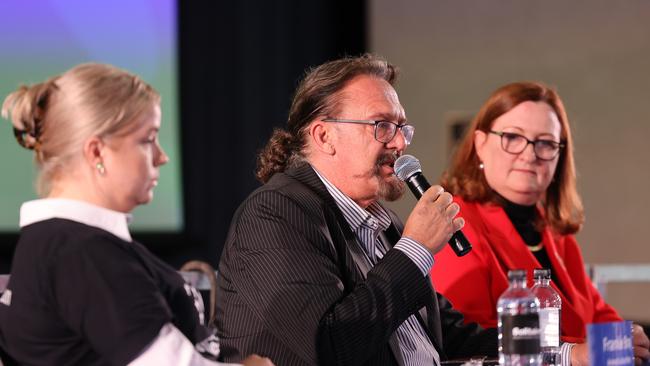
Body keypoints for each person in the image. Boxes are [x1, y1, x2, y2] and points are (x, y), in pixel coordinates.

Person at [214, 54, 497, 366]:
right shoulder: (274, 214)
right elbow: (330, 346)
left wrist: (552, 349)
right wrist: (416, 248)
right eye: (383, 125)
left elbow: (447, 334)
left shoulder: (383, 221)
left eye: (402, 127)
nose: (400, 142)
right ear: (325, 137)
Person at [0, 63, 273, 366]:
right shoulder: (83, 254)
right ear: (96, 152)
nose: (161, 156)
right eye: (147, 139)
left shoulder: (62, 244)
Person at [430, 81, 650, 365]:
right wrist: (585, 350)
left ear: (559, 156)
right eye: (512, 137)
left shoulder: (553, 230)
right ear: (480, 144)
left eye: (545, 143)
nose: (530, 154)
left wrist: (627, 337)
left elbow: (595, 313)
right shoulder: (455, 222)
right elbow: (465, 340)